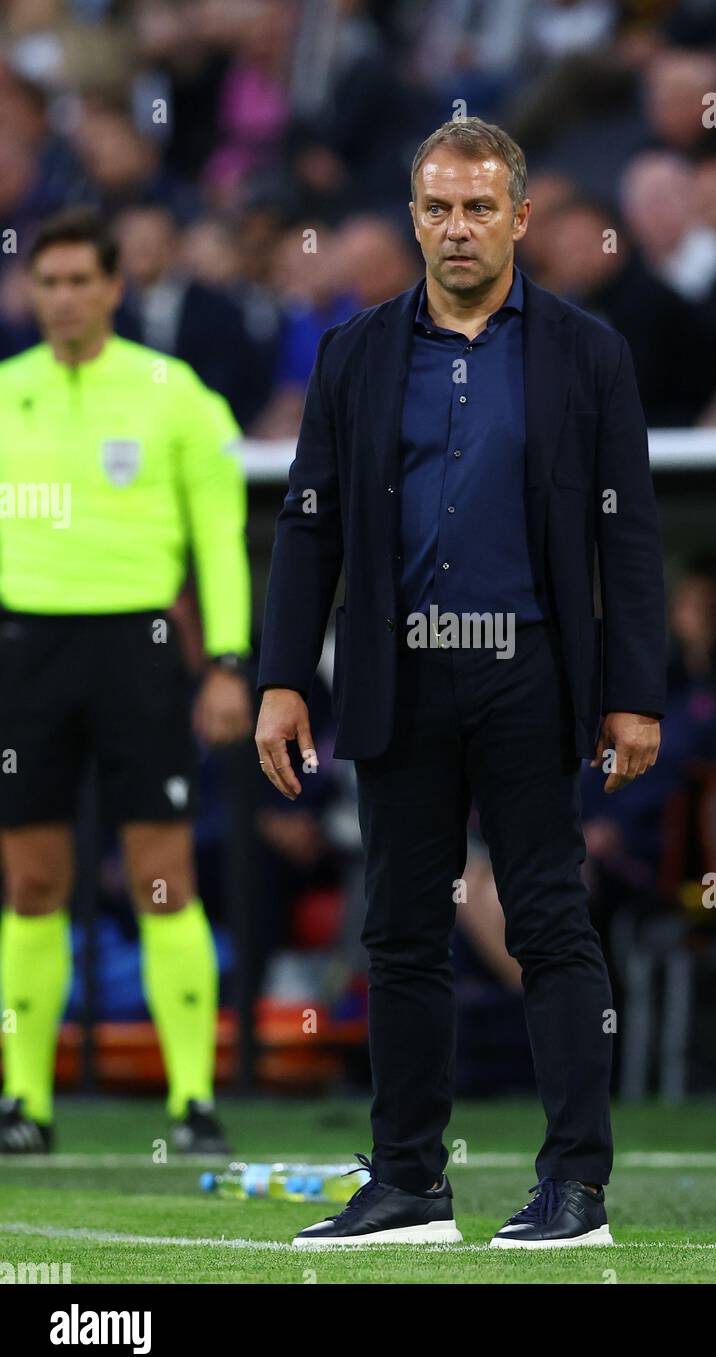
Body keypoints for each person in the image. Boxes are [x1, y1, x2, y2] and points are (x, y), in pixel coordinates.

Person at [256, 118, 666, 1249]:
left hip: (531, 670)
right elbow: (307, 530)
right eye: (436, 207)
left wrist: (634, 692)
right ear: (412, 215)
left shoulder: (587, 352)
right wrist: (282, 678)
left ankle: (574, 1188)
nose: (456, 228)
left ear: (521, 217)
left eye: (478, 207)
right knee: (395, 929)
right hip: (397, 669)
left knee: (545, 919)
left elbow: (628, 537)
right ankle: (408, 1185)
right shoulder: (355, 352)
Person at [0, 208, 252, 1155]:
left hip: (140, 648)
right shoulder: (4, 393)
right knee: (30, 882)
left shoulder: (173, 394)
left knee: (160, 876)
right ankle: (26, 1102)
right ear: (32, 293)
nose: (63, 298)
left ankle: (192, 1102)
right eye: (47, 282)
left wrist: (227, 661)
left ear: (114, 287)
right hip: (25, 649)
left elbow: (219, 542)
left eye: (80, 281)